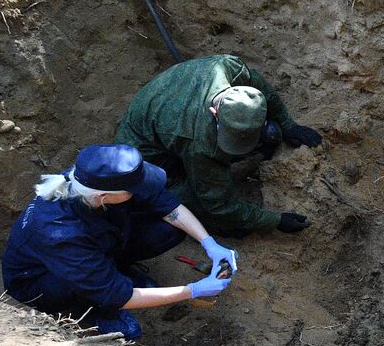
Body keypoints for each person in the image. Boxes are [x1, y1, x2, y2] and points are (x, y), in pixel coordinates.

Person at [1, 144, 235, 340]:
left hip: (94, 247)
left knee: (168, 230)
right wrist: (193, 290)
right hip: (41, 281)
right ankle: (93, 308)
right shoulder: (60, 232)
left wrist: (209, 244)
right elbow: (117, 295)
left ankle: (116, 271)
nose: (138, 191)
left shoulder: (95, 178)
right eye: (133, 190)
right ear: (103, 197)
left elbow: (167, 206)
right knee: (127, 328)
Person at [115, 54, 322, 237]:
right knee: (221, 220)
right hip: (143, 158)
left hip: (162, 113)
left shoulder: (228, 67)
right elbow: (219, 206)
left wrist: (287, 124)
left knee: (271, 134)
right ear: (214, 112)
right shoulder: (201, 143)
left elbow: (260, 85)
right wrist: (274, 221)